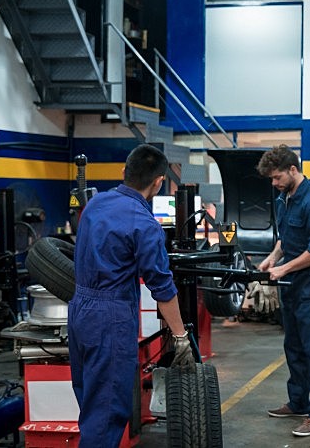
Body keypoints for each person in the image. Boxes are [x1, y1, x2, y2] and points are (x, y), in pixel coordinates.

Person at [68, 144, 192, 447]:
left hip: (79, 310)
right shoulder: (144, 223)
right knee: (107, 411)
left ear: (124, 171)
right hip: (109, 318)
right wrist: (180, 335)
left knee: (90, 402)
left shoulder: (95, 205)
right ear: (159, 182)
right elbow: (162, 287)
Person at [255, 145, 310, 437]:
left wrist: (284, 269)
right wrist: (273, 258)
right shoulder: (283, 199)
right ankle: (299, 401)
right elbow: (285, 238)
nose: (273, 183)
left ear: (293, 170)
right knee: (295, 348)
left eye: (277, 177)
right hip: (292, 286)